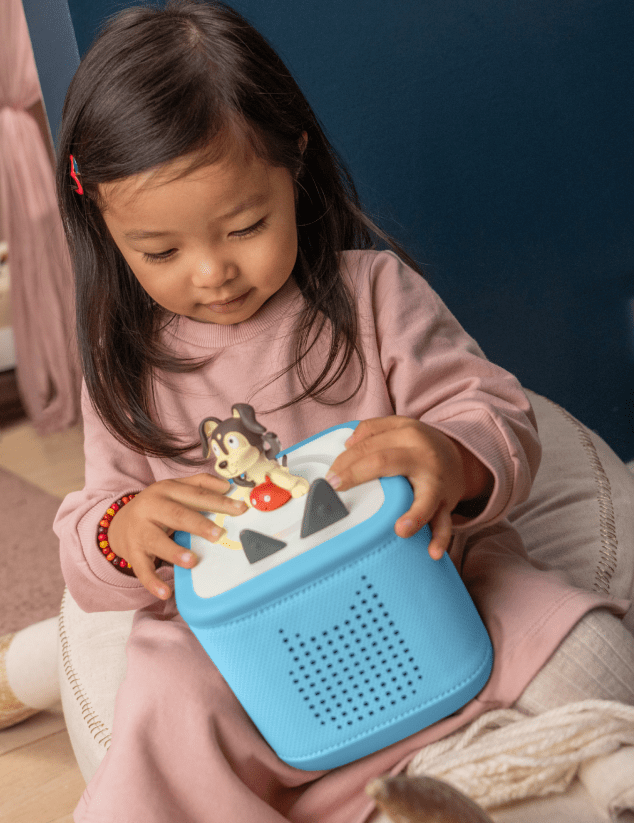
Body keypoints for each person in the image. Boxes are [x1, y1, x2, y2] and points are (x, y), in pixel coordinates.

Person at [53, 2, 634, 821]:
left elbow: (491, 408)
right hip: (257, 658)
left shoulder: (371, 295)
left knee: (581, 646)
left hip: (437, 587)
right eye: (162, 251)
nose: (213, 271)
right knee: (165, 696)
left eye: (246, 225)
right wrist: (126, 528)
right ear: (105, 228)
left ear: (294, 160)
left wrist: (452, 458)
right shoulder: (128, 365)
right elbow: (85, 529)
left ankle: (599, 777)